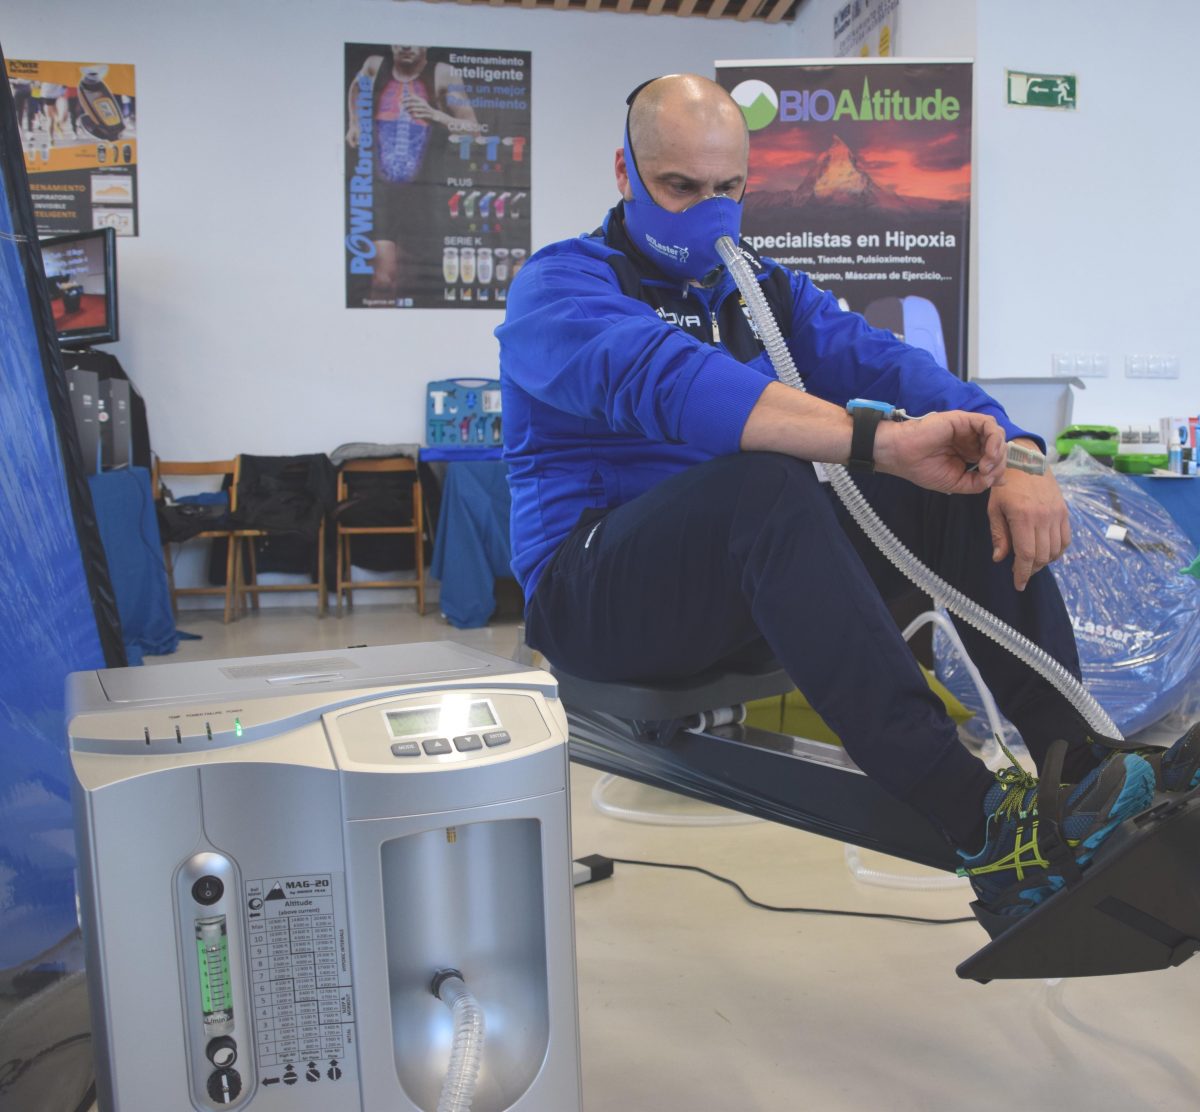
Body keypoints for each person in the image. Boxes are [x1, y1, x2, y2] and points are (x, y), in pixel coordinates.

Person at [497, 74, 1200, 920]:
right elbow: (677, 385)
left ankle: (1081, 768)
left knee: (949, 480)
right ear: (625, 172)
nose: (707, 213)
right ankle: (979, 820)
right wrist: (877, 439)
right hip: (592, 592)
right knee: (766, 477)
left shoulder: (761, 291)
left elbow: (889, 364)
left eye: (728, 190)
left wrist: (1014, 452)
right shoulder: (560, 288)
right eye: (680, 188)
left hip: (730, 582)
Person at [346, 46, 481, 304]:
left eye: (413, 43)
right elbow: (356, 87)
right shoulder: (375, 65)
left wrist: (436, 115)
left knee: (416, 283)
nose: (406, 47)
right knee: (383, 279)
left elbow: (473, 129)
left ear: (426, 46)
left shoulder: (444, 75)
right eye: (399, 43)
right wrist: (354, 122)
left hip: (424, 194)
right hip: (383, 190)